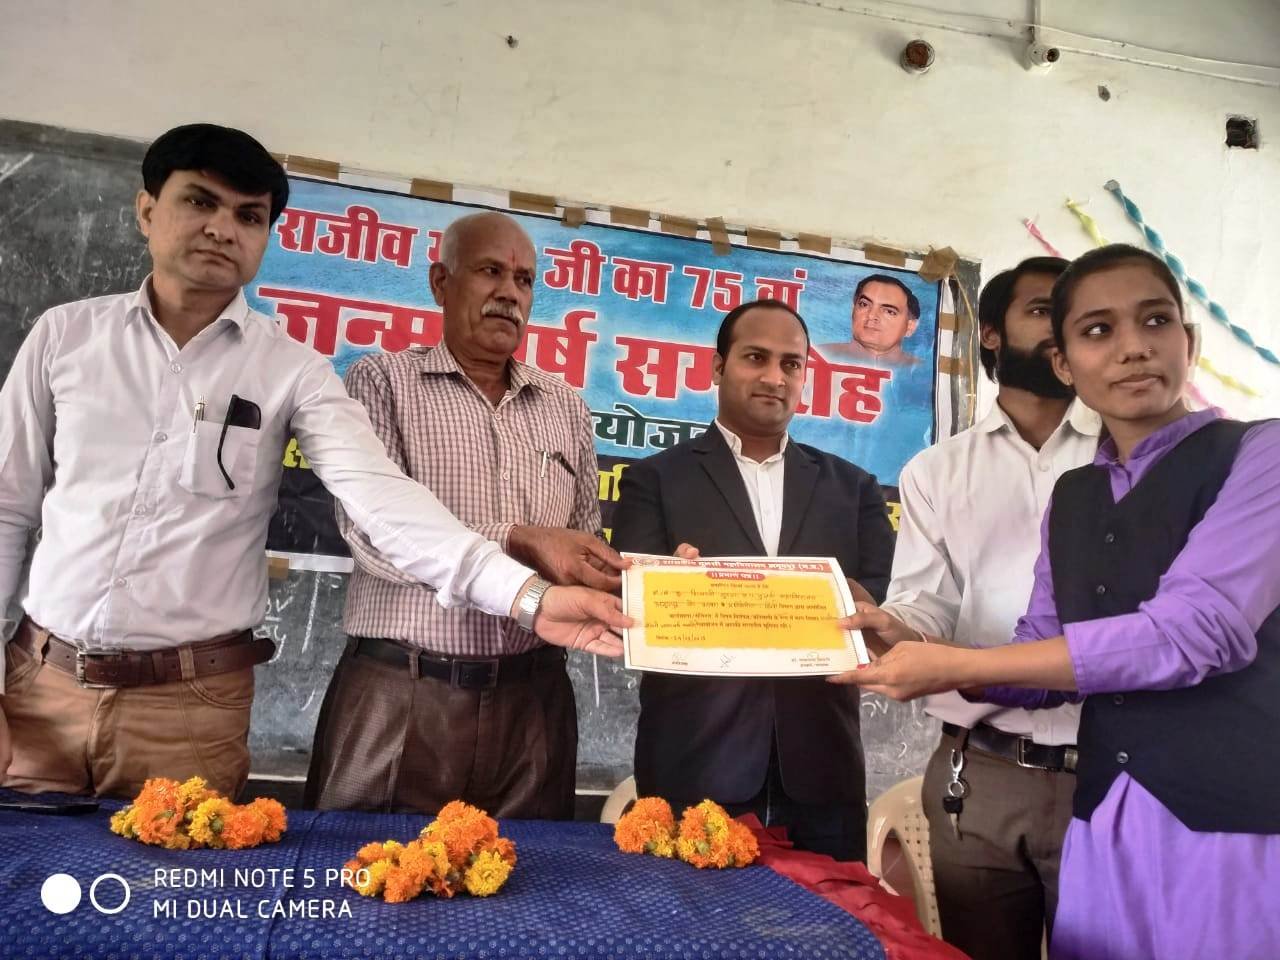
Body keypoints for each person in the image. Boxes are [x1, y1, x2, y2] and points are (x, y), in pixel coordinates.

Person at [0, 124, 628, 802]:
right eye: (199, 202)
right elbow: (7, 509)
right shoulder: (65, 337)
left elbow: (383, 505)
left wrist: (534, 597)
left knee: (180, 870)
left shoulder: (291, 370)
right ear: (147, 210)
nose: (221, 229)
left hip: (190, 705)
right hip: (39, 687)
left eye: (249, 216)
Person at [835, 243, 1280, 959]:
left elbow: (1196, 632)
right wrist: (904, 645)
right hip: (1104, 818)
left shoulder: (1261, 454)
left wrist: (952, 665)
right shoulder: (1075, 495)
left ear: (1189, 342)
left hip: (1228, 822)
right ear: (1065, 363)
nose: (1133, 347)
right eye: (1098, 330)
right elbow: (1035, 658)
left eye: (1156, 321)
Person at [305, 212, 623, 818]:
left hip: (534, 702)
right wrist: (520, 540)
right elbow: (373, 536)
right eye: (490, 271)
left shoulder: (566, 407)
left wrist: (664, 583)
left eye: (524, 280)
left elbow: (582, 548)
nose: (509, 293)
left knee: (532, 873)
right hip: (404, 694)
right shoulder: (382, 381)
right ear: (440, 283)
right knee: (367, 870)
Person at [611, 298, 895, 861]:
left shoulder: (855, 488)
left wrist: (860, 605)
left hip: (823, 771)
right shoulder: (654, 481)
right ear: (718, 367)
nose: (774, 377)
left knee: (826, 916)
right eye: (755, 358)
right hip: (693, 765)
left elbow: (888, 609)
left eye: (791, 364)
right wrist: (673, 591)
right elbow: (629, 613)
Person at [877, 256, 1097, 959]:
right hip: (982, 773)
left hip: (1115, 770)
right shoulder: (937, 471)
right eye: (1042, 310)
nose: (1062, 328)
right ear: (992, 334)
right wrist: (894, 626)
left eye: (1075, 315)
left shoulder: (1134, 457)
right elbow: (925, 606)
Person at [819, 273, 922, 366]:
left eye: (889, 311)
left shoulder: (922, 371)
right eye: (864, 304)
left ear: (910, 327)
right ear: (853, 310)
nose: (871, 315)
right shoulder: (818, 354)